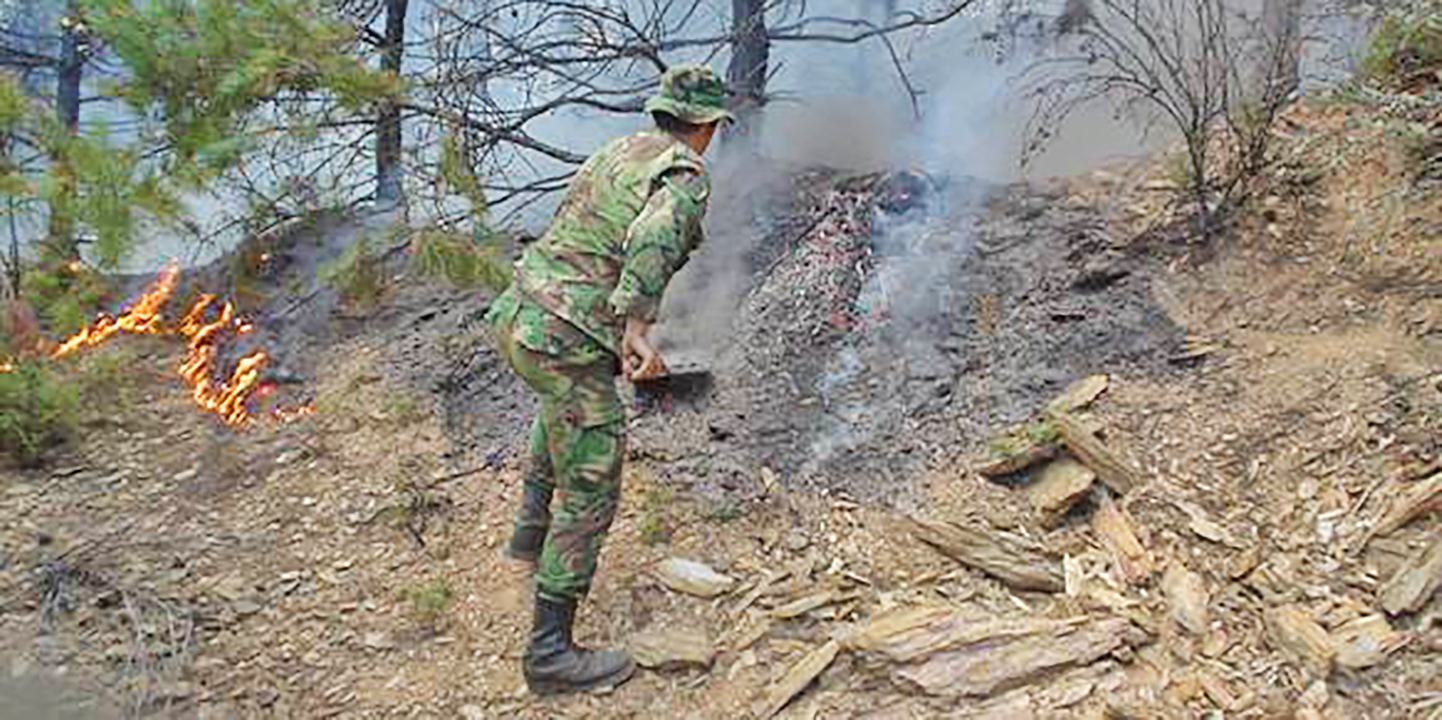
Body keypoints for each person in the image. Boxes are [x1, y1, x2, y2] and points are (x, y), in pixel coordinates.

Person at [484, 65, 731, 695]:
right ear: (706, 126)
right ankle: (549, 655)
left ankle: (527, 538)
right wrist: (639, 327)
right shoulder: (684, 172)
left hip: (523, 316)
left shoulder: (619, 150)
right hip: (567, 333)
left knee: (560, 409)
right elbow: (651, 241)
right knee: (593, 476)